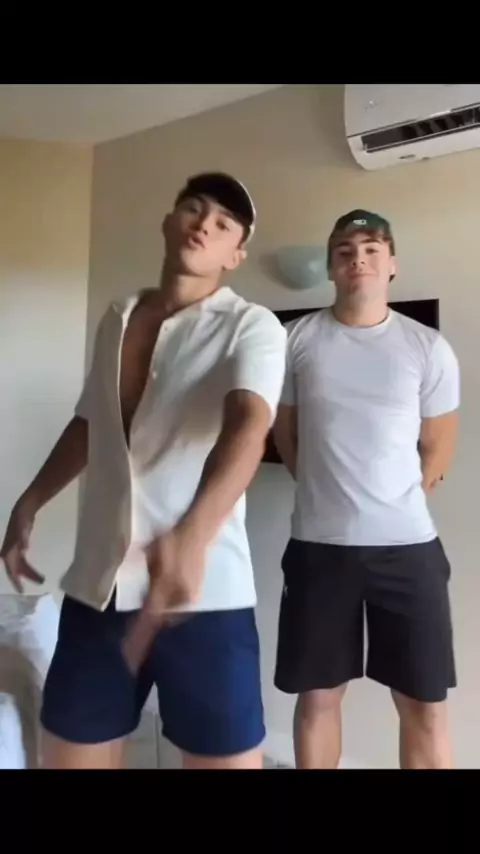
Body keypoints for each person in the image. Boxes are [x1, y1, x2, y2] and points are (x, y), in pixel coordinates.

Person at [0, 172, 287, 770]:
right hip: (96, 592)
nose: (204, 223)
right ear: (168, 222)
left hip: (204, 598)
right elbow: (91, 422)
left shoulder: (251, 325)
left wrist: (192, 537)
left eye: (224, 224)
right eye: (193, 208)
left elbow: (248, 427)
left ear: (234, 254)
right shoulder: (118, 316)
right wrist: (30, 501)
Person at [273, 209, 460, 770]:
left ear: (392, 264)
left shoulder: (427, 347)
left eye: (372, 249)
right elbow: (286, 437)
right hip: (318, 550)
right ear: (332, 266)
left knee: (425, 706)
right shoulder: (295, 340)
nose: (358, 259)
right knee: (318, 699)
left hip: (408, 552)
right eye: (345, 251)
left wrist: (389, 502)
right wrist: (328, 494)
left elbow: (438, 449)